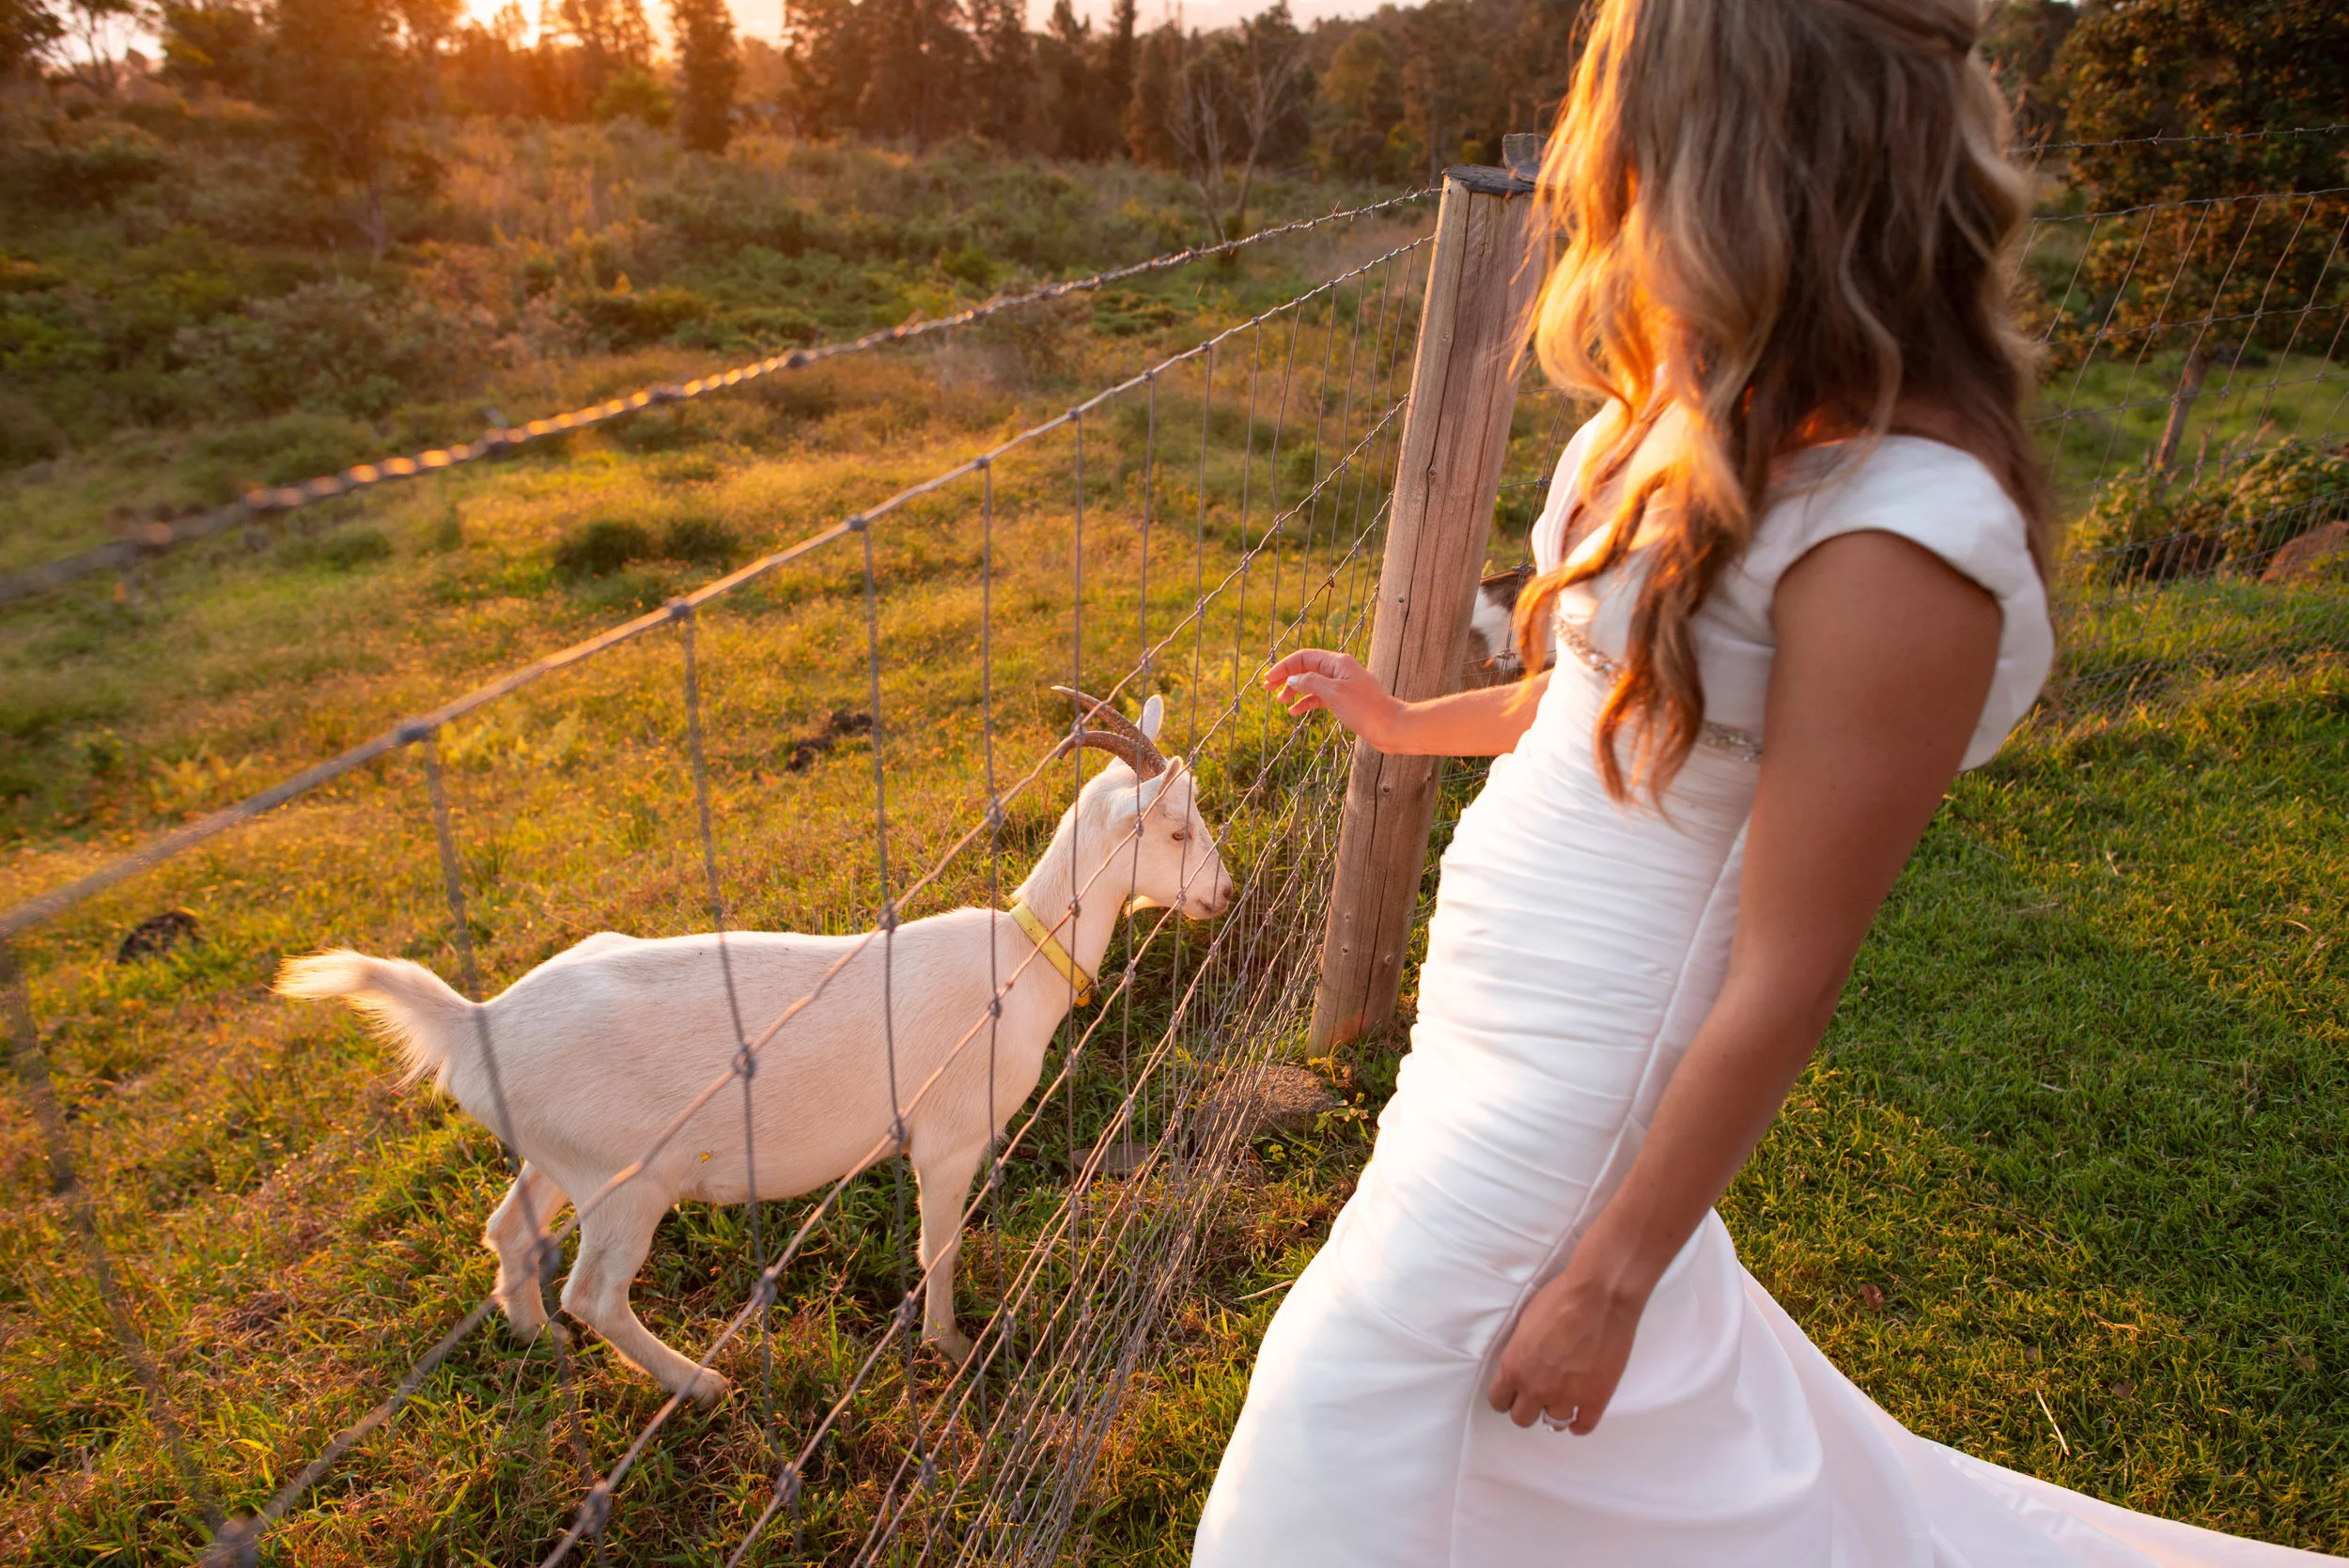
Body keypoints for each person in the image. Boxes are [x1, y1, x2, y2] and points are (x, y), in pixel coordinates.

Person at [1190, 1, 2341, 1563]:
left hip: (1587, 1079)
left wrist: (1616, 1275)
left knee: (1336, 1432)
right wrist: (1405, 724)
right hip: (1484, 1024)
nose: (1611, 181)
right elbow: (1596, 702)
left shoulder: (1901, 539)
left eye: (1642, 133)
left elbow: (1791, 973)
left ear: (1754, 164)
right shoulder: (1687, 418)